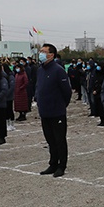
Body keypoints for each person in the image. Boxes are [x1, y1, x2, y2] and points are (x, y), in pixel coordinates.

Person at [35, 44, 72, 176]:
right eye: (40, 51)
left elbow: (67, 91)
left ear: (51, 55)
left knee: (59, 140)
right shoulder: (40, 70)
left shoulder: (58, 70)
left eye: (43, 51)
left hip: (57, 111)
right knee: (50, 140)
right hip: (44, 111)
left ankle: (61, 166)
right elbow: (38, 87)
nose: (40, 54)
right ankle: (53, 163)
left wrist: (61, 105)